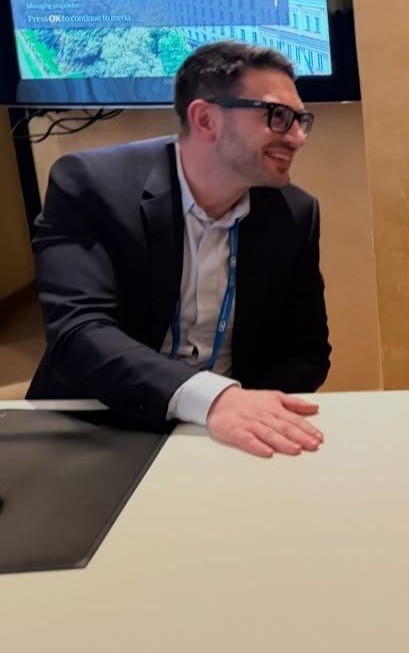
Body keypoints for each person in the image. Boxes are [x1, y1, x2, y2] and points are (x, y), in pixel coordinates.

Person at [29, 41, 331, 458]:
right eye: (278, 117)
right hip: (100, 420)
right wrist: (211, 400)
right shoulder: (92, 185)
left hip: (226, 435)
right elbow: (79, 333)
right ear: (206, 119)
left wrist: (249, 412)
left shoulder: (294, 213)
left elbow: (307, 351)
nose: (298, 137)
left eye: (301, 121)